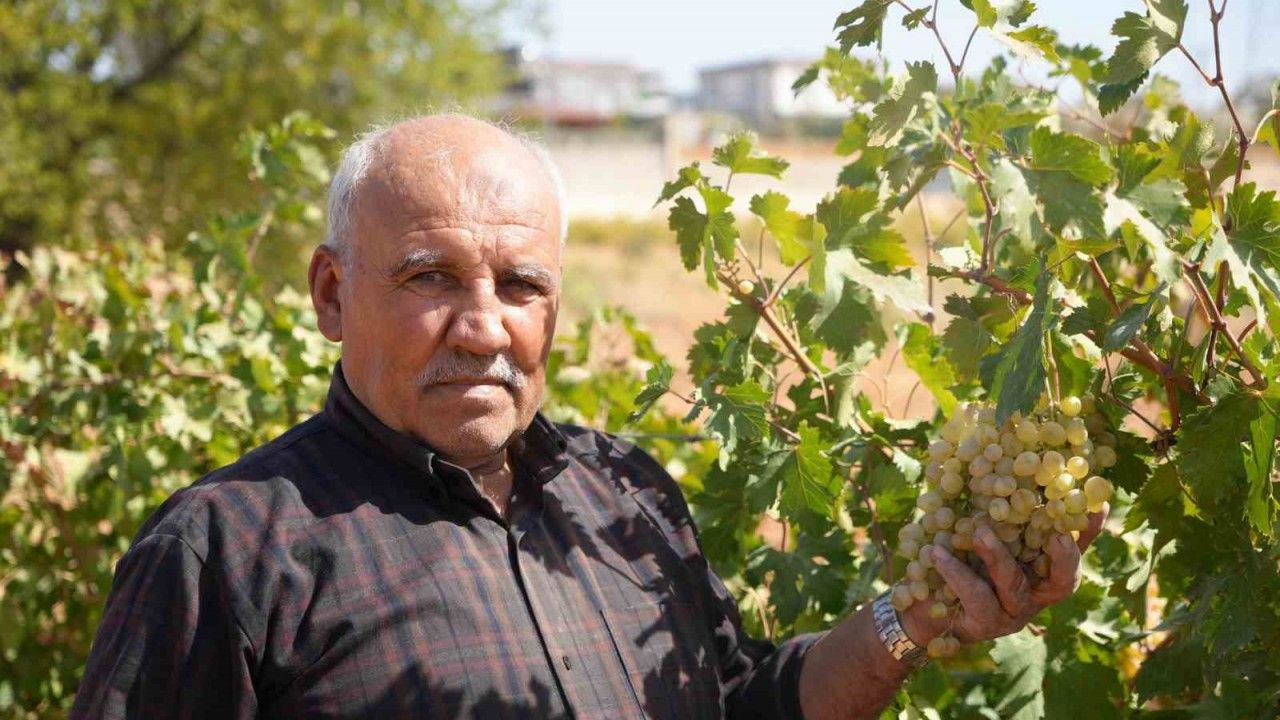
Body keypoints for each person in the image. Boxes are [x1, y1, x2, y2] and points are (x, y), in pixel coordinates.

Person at [72, 114, 1106, 720]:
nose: (484, 326)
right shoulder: (224, 554)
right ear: (333, 295)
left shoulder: (624, 496)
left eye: (521, 284)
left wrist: (910, 620)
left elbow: (740, 703)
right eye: (430, 277)